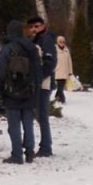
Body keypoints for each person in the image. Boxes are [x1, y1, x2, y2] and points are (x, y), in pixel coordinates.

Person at [0, 21, 41, 164]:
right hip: (29, 91)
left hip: (11, 92)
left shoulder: (7, 49)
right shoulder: (32, 48)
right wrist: (36, 91)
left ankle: (17, 155)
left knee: (14, 126)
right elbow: (38, 71)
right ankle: (30, 152)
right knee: (28, 123)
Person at [28, 15, 57, 157]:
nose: (34, 29)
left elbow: (50, 63)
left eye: (36, 26)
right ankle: (45, 145)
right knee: (39, 115)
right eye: (31, 26)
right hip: (39, 82)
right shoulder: (36, 40)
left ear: (43, 26)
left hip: (44, 84)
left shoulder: (46, 40)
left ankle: (46, 147)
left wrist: (39, 78)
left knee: (42, 115)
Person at [54, 35, 73, 104]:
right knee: (60, 87)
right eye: (60, 41)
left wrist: (70, 71)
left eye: (63, 41)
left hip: (65, 72)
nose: (62, 43)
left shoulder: (66, 50)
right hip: (57, 71)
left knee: (61, 87)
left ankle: (57, 97)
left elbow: (69, 61)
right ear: (57, 42)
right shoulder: (54, 49)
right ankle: (62, 99)